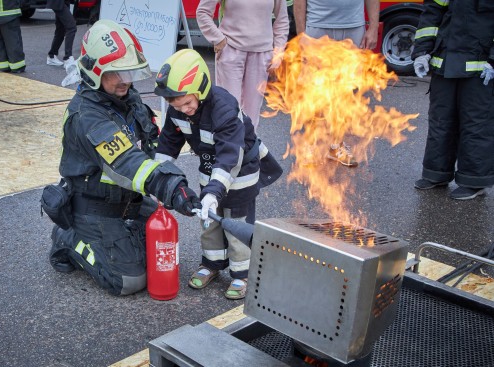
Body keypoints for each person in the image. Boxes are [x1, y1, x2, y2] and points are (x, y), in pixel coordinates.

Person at [45, 20, 201, 296]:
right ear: (95, 72)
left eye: (129, 72)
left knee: (162, 242)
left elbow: (151, 141)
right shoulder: (88, 117)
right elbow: (127, 162)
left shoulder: (127, 99)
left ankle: (117, 237)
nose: (126, 80)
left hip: (127, 201)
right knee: (131, 279)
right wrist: (169, 184)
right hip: (94, 206)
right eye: (118, 73)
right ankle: (69, 238)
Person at [153, 49, 283, 299]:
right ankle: (212, 265)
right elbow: (168, 143)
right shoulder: (178, 109)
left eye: (188, 103)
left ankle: (242, 274)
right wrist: (158, 177)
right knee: (209, 223)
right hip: (210, 172)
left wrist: (214, 191)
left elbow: (230, 156)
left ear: (200, 89)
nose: (185, 110)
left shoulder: (224, 108)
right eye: (177, 106)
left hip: (239, 174)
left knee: (236, 227)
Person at [411, 0, 494, 200]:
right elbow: (432, 13)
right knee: (441, 119)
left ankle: (474, 180)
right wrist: (422, 52)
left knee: (476, 123)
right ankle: (436, 173)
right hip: (445, 60)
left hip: (480, 65)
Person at [293, 0, 380, 167]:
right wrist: (301, 35)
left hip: (354, 29)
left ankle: (335, 145)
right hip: (318, 28)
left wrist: (373, 27)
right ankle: (312, 145)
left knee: (346, 93)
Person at [196, 0, 289, 131]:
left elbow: (282, 20)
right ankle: (227, 148)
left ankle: (248, 149)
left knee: (251, 116)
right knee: (228, 110)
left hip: (262, 55)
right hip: (231, 51)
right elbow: (203, 12)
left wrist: (278, 52)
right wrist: (218, 39)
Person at [45, 0, 77, 72]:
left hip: (62, 2)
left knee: (61, 29)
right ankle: (68, 58)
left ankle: (52, 55)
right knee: (71, 27)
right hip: (59, 2)